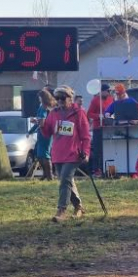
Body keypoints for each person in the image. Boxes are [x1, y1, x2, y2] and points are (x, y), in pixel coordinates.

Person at [41, 85, 91, 222]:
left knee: (65, 180)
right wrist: (42, 125)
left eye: (63, 97)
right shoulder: (54, 113)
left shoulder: (78, 113)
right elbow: (47, 133)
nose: (60, 100)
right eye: (57, 98)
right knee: (67, 181)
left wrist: (86, 152)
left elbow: (86, 136)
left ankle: (61, 210)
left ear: (70, 98)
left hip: (73, 154)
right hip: (57, 154)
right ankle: (79, 207)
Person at [87, 83, 113, 176]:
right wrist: (99, 116)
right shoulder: (95, 100)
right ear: (102, 91)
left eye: (110, 91)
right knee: (98, 150)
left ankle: (107, 169)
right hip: (98, 128)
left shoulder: (111, 99)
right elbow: (89, 114)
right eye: (108, 91)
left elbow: (113, 110)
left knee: (108, 149)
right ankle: (96, 170)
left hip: (108, 128)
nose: (109, 93)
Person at [29, 89, 56, 180]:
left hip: (45, 133)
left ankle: (50, 176)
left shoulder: (44, 107)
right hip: (41, 132)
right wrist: (31, 131)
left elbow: (42, 122)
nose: (39, 99)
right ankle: (45, 174)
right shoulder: (43, 106)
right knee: (39, 154)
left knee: (45, 154)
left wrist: (35, 120)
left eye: (40, 97)